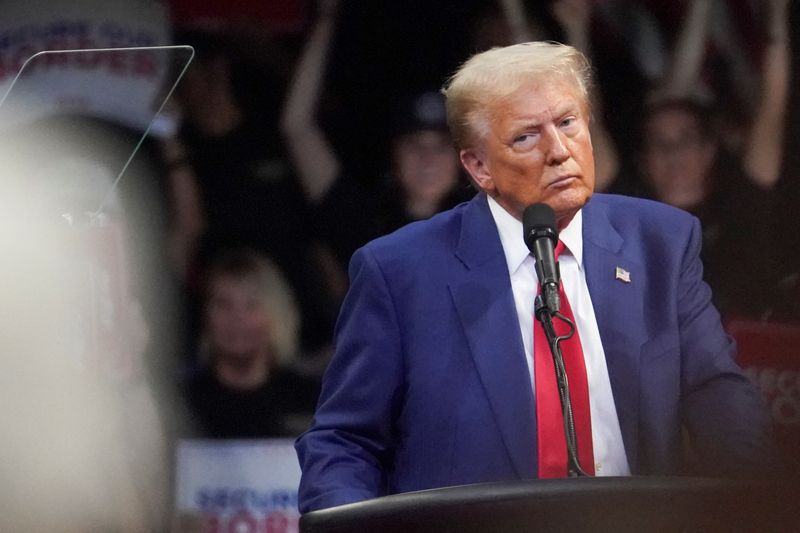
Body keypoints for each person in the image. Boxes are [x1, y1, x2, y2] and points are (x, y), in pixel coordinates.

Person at [294, 41, 776, 512]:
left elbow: (716, 394)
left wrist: (761, 505)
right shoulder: (401, 272)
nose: (559, 151)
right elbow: (345, 439)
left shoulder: (661, 243)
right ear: (479, 166)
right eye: (526, 136)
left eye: (568, 123)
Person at [184, 248, 321, 439]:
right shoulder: (182, 403)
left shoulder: (312, 402)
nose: (237, 319)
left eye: (252, 305)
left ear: (276, 314)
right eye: (223, 304)